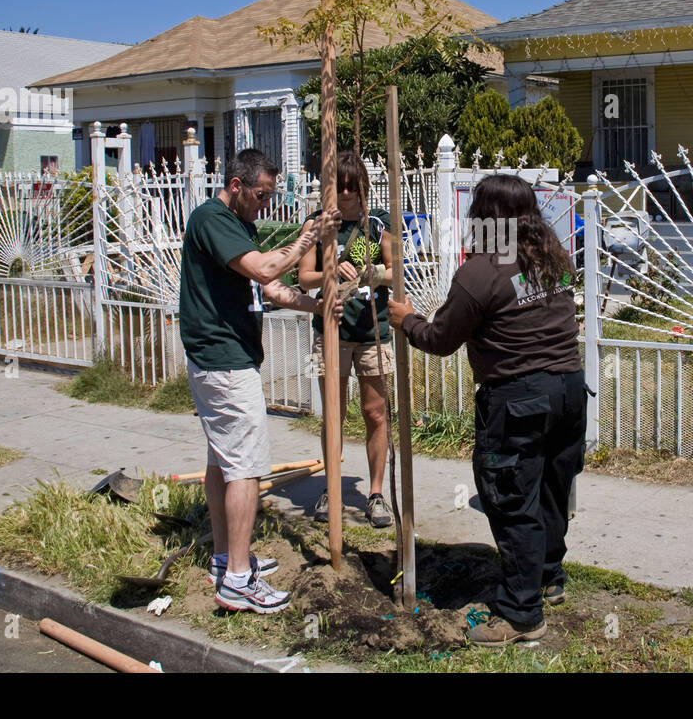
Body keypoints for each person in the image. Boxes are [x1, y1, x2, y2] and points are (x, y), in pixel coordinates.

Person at [389, 174, 586, 647]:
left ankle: (521, 614)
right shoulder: (550, 255)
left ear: (485, 216)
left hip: (518, 399)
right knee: (551, 490)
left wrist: (406, 320)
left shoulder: (480, 271)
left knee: (513, 498)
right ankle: (546, 577)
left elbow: (441, 338)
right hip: (569, 390)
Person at [180, 148, 341, 614]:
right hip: (223, 362)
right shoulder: (210, 219)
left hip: (227, 358)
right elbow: (267, 268)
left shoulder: (237, 224)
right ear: (236, 185)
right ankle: (236, 581)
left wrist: (317, 306)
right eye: (261, 195)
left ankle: (226, 558)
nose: (266, 204)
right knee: (247, 468)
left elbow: (268, 287)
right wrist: (308, 234)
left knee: (223, 463)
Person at [297, 151, 396, 528]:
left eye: (353, 186)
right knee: (334, 415)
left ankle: (375, 493)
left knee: (375, 413)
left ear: (363, 186)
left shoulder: (378, 224)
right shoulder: (317, 224)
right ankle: (332, 488)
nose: (347, 193)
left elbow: (396, 269)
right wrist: (328, 272)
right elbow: (302, 277)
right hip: (331, 331)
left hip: (373, 330)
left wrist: (377, 273)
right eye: (340, 186)